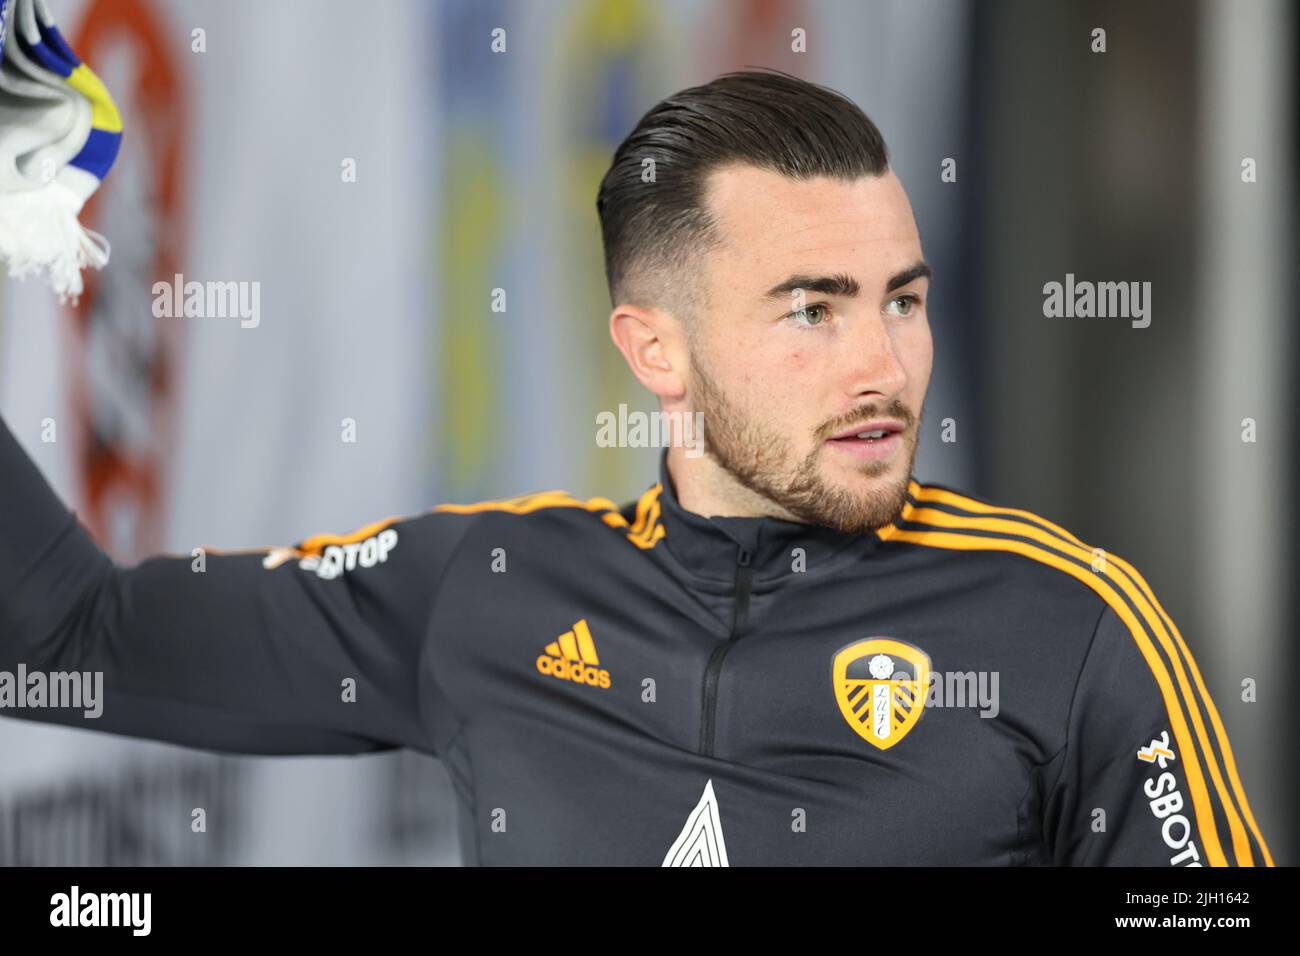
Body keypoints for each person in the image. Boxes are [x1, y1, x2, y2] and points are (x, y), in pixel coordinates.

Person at [0, 68, 1272, 866]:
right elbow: (69, 640)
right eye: (812, 309)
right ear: (653, 350)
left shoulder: (1070, 620)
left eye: (904, 298)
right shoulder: (487, 587)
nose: (882, 364)